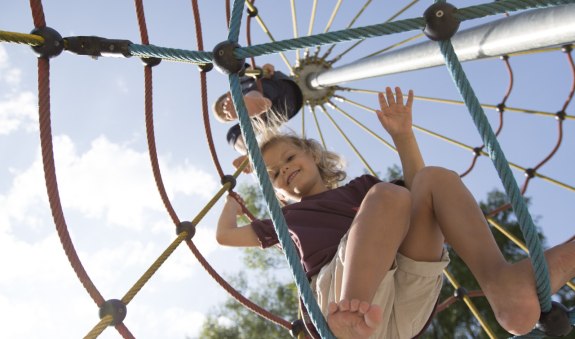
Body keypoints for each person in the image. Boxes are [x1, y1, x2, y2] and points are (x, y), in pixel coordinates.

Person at [216, 86, 575, 338]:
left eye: (289, 158)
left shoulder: (362, 190)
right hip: (339, 300)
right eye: (275, 174)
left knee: (431, 180)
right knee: (389, 195)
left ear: (313, 154)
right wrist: (232, 202)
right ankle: (351, 312)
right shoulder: (286, 221)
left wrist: (403, 136)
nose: (284, 170)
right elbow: (225, 237)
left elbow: (423, 198)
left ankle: (505, 287)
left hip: (405, 299)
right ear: (274, 190)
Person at [212, 63, 303, 172]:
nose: (225, 110)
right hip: (282, 111)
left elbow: (243, 68)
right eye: (227, 116)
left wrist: (264, 70)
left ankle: (253, 104)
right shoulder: (249, 121)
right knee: (232, 133)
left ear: (228, 95)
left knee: (257, 89)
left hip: (282, 89)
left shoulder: (241, 84)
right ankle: (250, 153)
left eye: (224, 106)